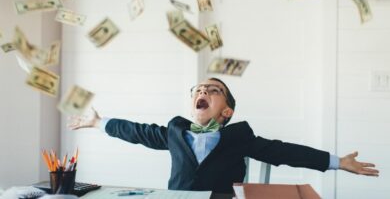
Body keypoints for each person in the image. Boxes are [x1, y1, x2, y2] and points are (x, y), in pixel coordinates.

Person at [68, 77, 379, 194]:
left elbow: (285, 152)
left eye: (213, 90)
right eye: (198, 90)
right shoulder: (175, 133)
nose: (203, 91)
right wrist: (100, 122)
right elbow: (137, 132)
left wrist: (338, 162)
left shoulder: (239, 137)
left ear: (227, 111)